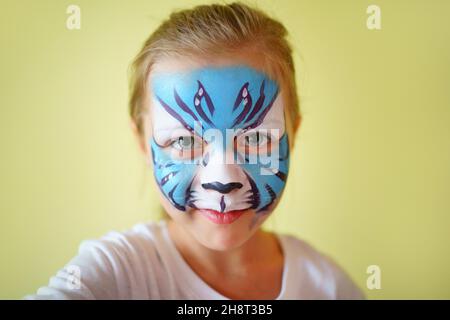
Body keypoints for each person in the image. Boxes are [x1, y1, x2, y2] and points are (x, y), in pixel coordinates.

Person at [25, 2, 364, 300]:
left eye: (257, 139)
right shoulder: (116, 274)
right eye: (184, 142)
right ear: (144, 142)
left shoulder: (328, 287)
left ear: (294, 133)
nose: (223, 180)